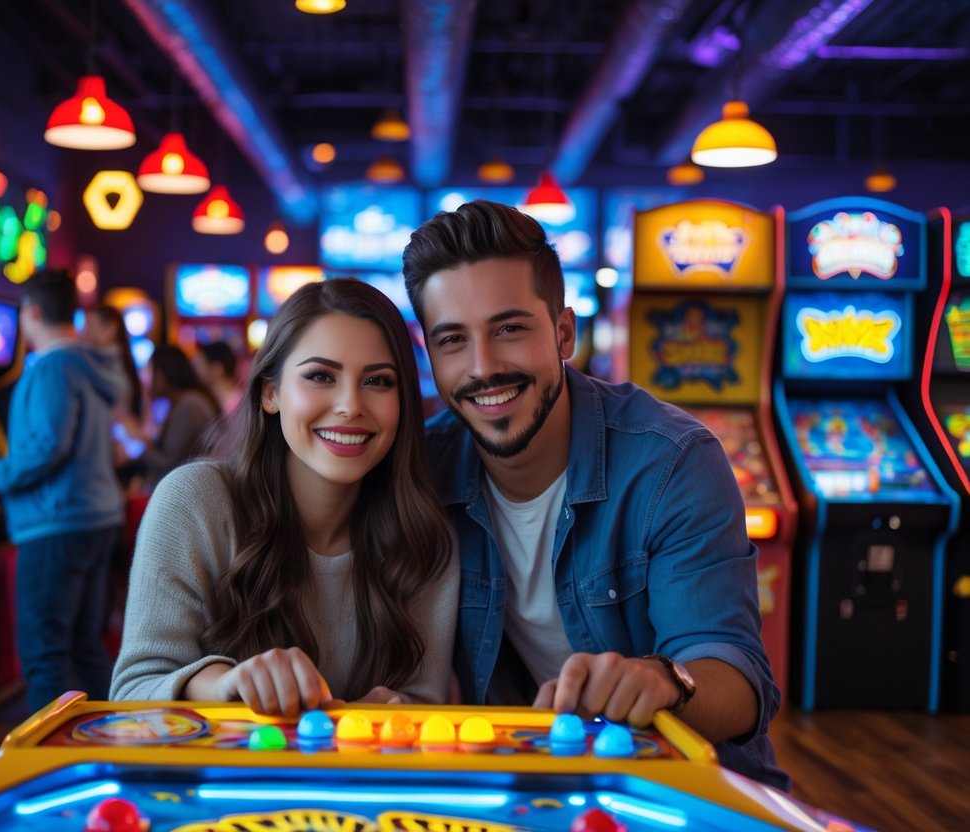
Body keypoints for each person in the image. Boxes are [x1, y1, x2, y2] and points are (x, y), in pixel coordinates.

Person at [401, 199, 787, 790]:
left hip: (684, 792)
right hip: (530, 787)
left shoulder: (672, 461)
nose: (483, 367)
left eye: (509, 329)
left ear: (563, 333)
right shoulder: (421, 470)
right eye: (453, 340)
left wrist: (665, 681)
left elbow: (737, 681)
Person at [111, 278, 458, 716]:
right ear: (270, 393)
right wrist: (225, 683)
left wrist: (393, 709)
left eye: (377, 381)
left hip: (359, 781)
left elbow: (425, 704)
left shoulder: (424, 535)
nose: (350, 405)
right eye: (320, 376)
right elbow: (133, 694)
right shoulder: (194, 502)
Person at [0, 270, 125, 712]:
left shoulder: (53, 367)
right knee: (85, 643)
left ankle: (45, 766)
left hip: (56, 521)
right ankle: (117, 739)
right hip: (96, 515)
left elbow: (48, 445)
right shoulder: (90, 362)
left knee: (44, 651)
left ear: (32, 312)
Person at [139, 345, 221, 490]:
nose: (143, 378)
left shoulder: (189, 405)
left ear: (163, 373)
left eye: (148, 370)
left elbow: (170, 465)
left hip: (190, 492)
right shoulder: (182, 402)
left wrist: (139, 442)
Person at [192, 340, 244, 416]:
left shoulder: (239, 405)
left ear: (217, 369)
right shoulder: (211, 402)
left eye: (199, 364)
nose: (194, 369)